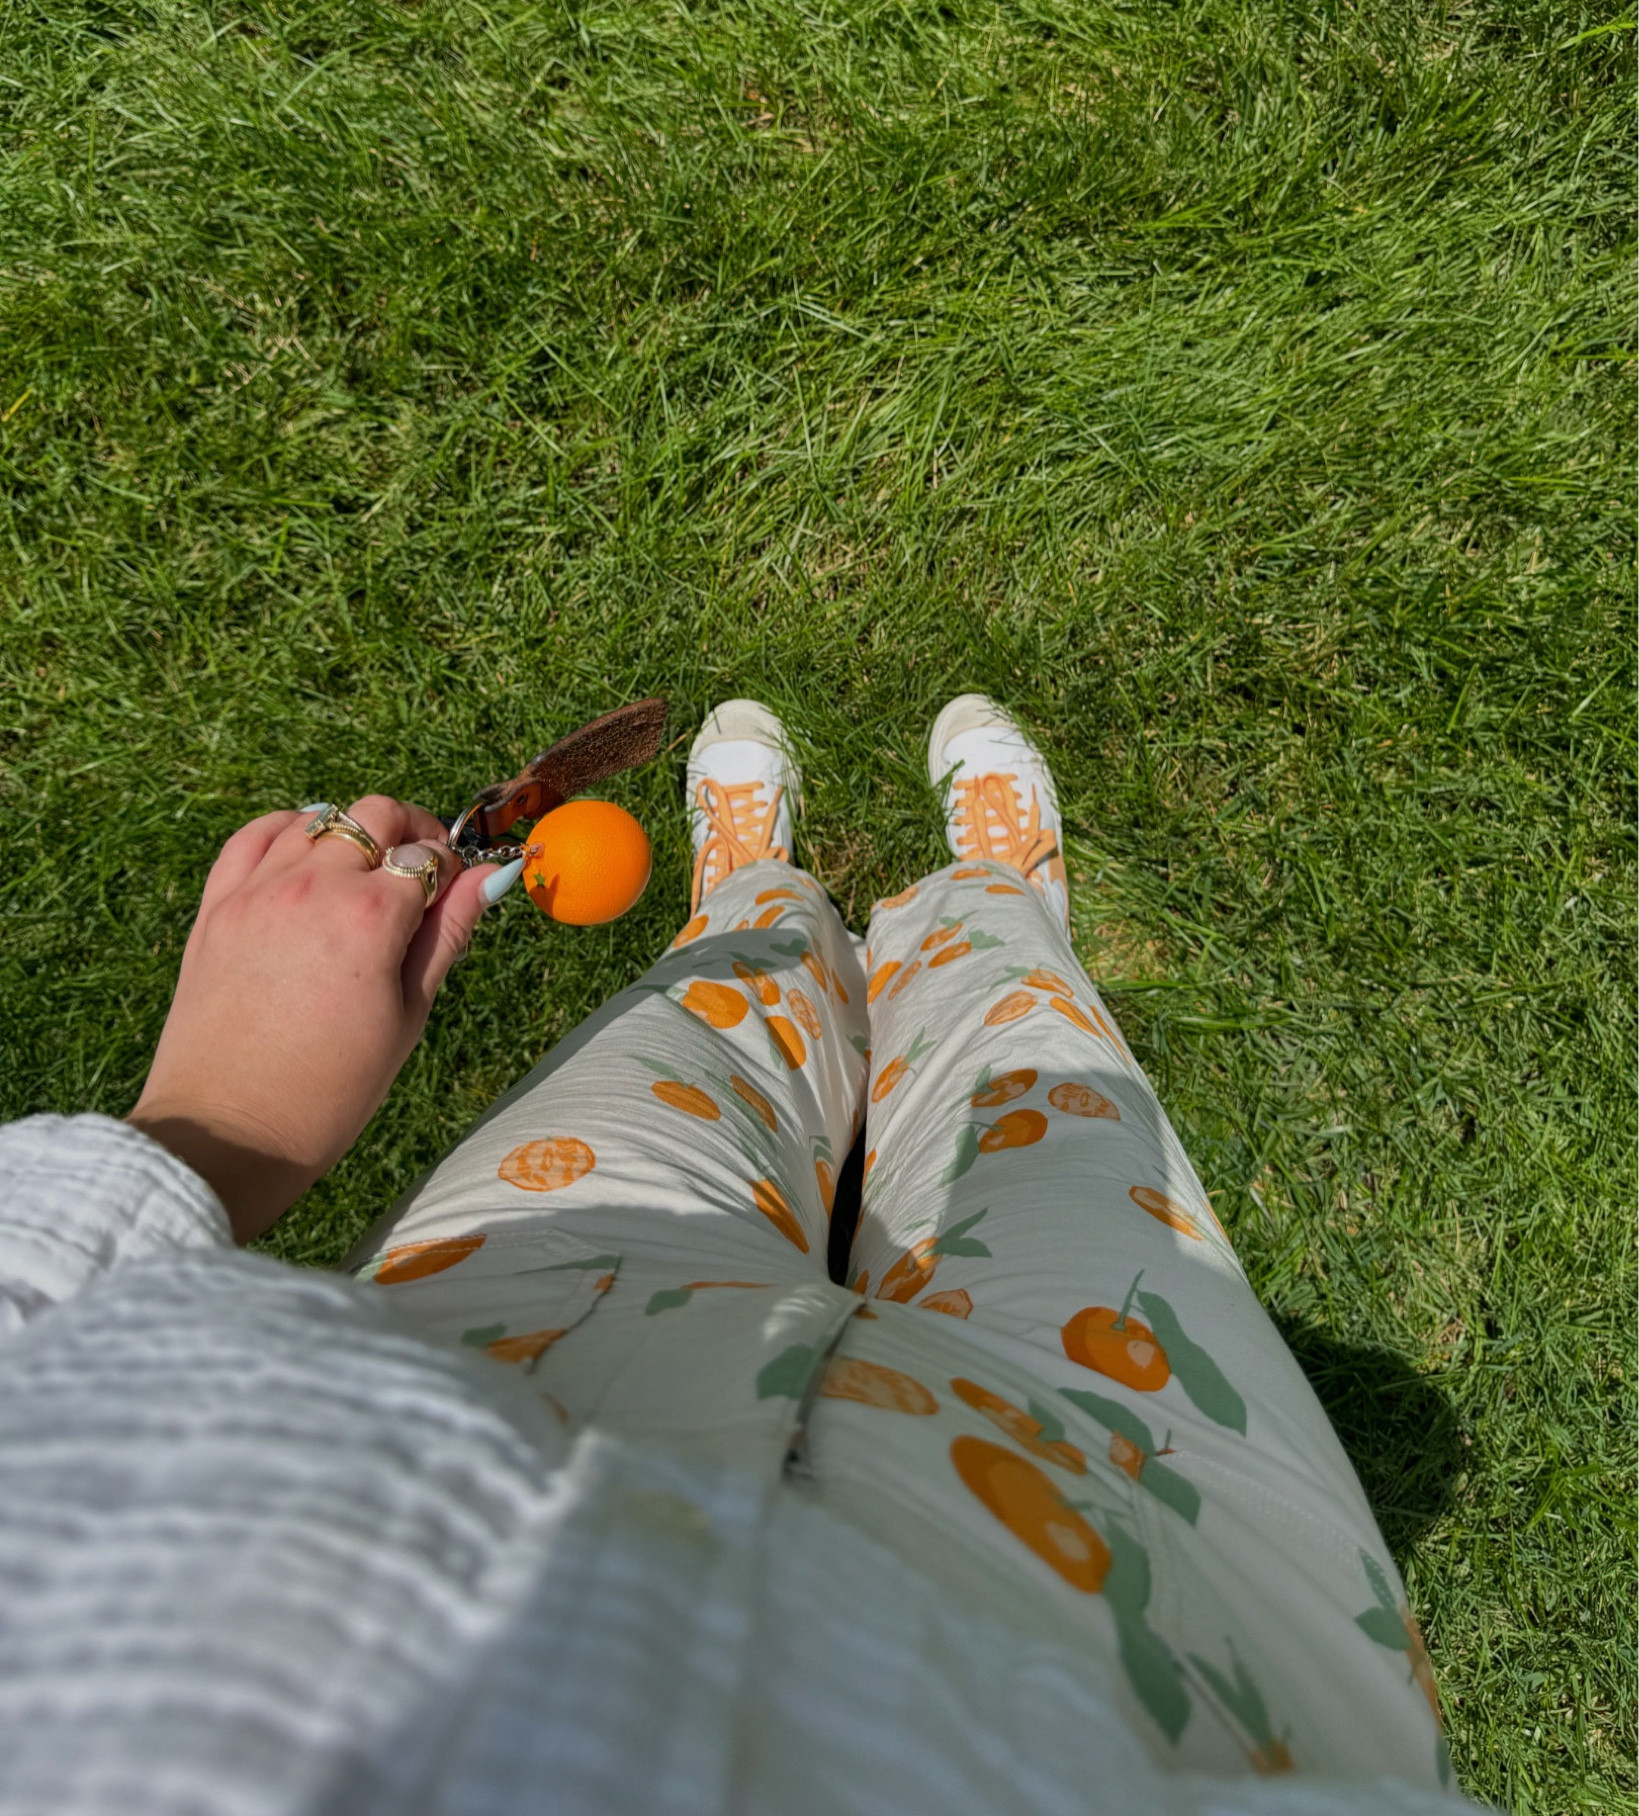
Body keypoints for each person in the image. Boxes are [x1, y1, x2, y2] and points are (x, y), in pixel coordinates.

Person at [0, 697, 1470, 1816]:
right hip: (1112, 1584)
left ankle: (764, 907)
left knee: (695, 1041)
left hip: (507, 1334)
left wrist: (215, 1124)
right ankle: (997, 932)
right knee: (1043, 1113)